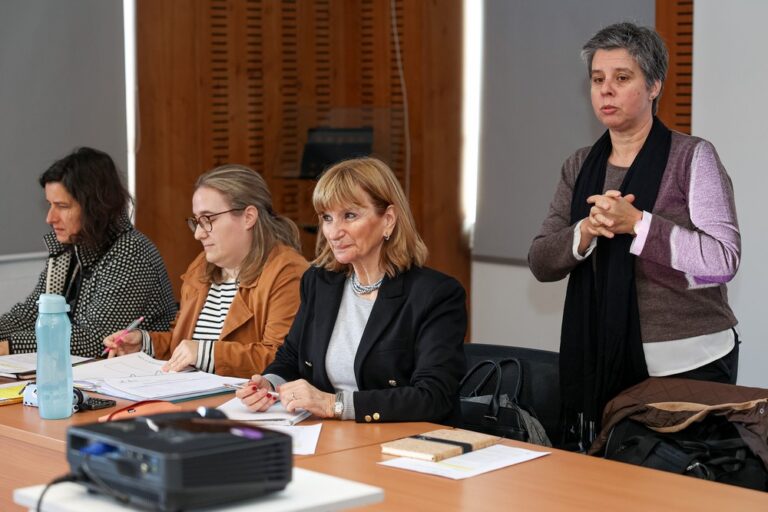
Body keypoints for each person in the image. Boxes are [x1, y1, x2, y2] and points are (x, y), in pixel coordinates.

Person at [528, 22, 740, 443]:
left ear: (654, 86)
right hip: (599, 362)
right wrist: (586, 231)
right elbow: (541, 261)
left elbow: (722, 259)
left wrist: (639, 224)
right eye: (597, 80)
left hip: (690, 364)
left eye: (622, 78)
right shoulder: (579, 165)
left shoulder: (693, 157)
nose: (606, 90)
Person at [236, 157, 467, 422]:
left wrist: (335, 405)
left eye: (350, 216)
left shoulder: (436, 294)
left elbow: (433, 396)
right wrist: (268, 384)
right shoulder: (319, 282)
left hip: (404, 438)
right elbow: (291, 357)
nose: (334, 232)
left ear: (388, 220)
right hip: (330, 434)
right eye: (327, 218)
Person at [104, 164, 308, 378]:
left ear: (248, 217)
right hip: (191, 391)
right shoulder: (201, 266)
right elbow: (183, 343)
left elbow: (281, 359)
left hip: (242, 397)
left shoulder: (287, 272)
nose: (198, 234)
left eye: (208, 219)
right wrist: (145, 344)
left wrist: (204, 353)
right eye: (197, 221)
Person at [0, 147, 177, 358]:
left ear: (95, 207)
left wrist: (9, 346)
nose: (50, 218)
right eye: (50, 205)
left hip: (133, 373)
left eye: (62, 206)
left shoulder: (131, 252)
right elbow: (32, 314)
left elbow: (95, 340)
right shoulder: (70, 248)